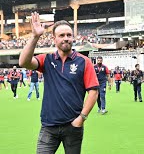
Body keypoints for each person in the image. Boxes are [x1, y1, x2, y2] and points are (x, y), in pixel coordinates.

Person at [19, 12, 99, 154]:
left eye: (69, 35)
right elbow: (23, 62)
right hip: (49, 126)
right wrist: (35, 36)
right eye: (61, 36)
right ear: (54, 39)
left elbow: (93, 92)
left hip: (73, 126)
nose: (66, 38)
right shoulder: (47, 59)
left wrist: (82, 118)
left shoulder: (84, 61)